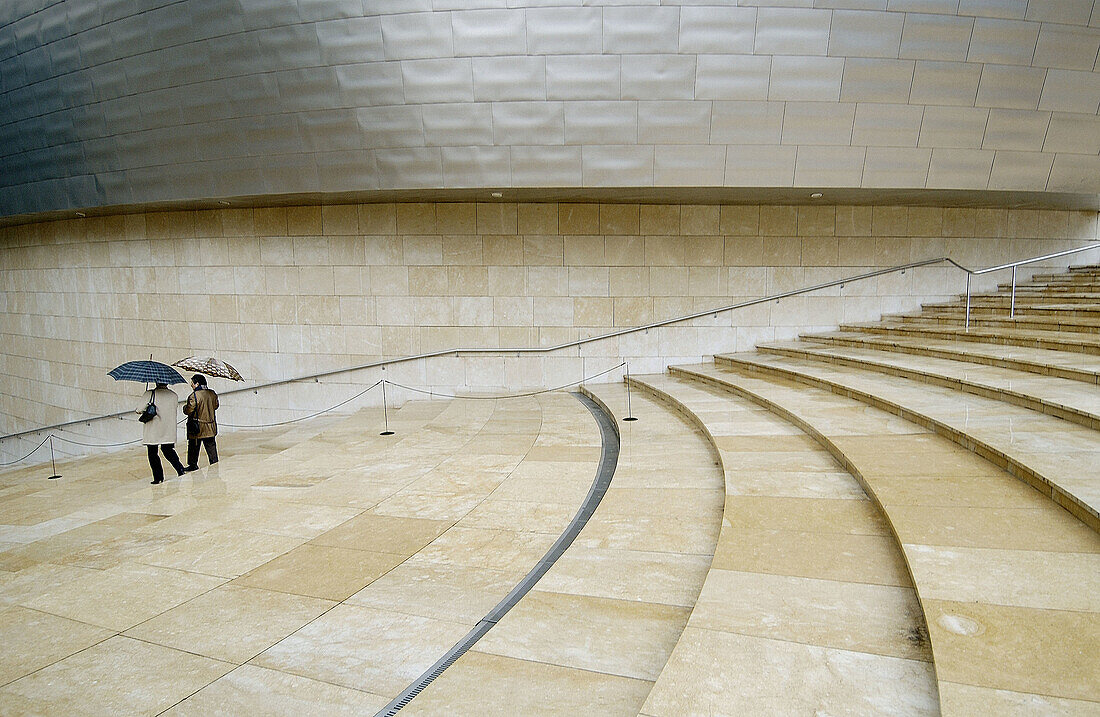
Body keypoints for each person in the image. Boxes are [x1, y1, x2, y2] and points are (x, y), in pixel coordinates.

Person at [138, 382, 186, 484]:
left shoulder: (149, 393)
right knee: (168, 451)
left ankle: (158, 477)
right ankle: (180, 469)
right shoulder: (173, 395)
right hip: (168, 428)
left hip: (153, 429)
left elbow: (139, 409)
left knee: (152, 453)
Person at [183, 373, 219, 471]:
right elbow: (216, 406)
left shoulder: (194, 395)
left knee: (193, 447)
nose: (191, 385)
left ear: (197, 383)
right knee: (211, 447)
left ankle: (193, 465)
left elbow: (189, 410)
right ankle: (214, 464)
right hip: (211, 426)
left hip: (197, 427)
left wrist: (185, 407)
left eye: (192, 383)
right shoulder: (212, 393)